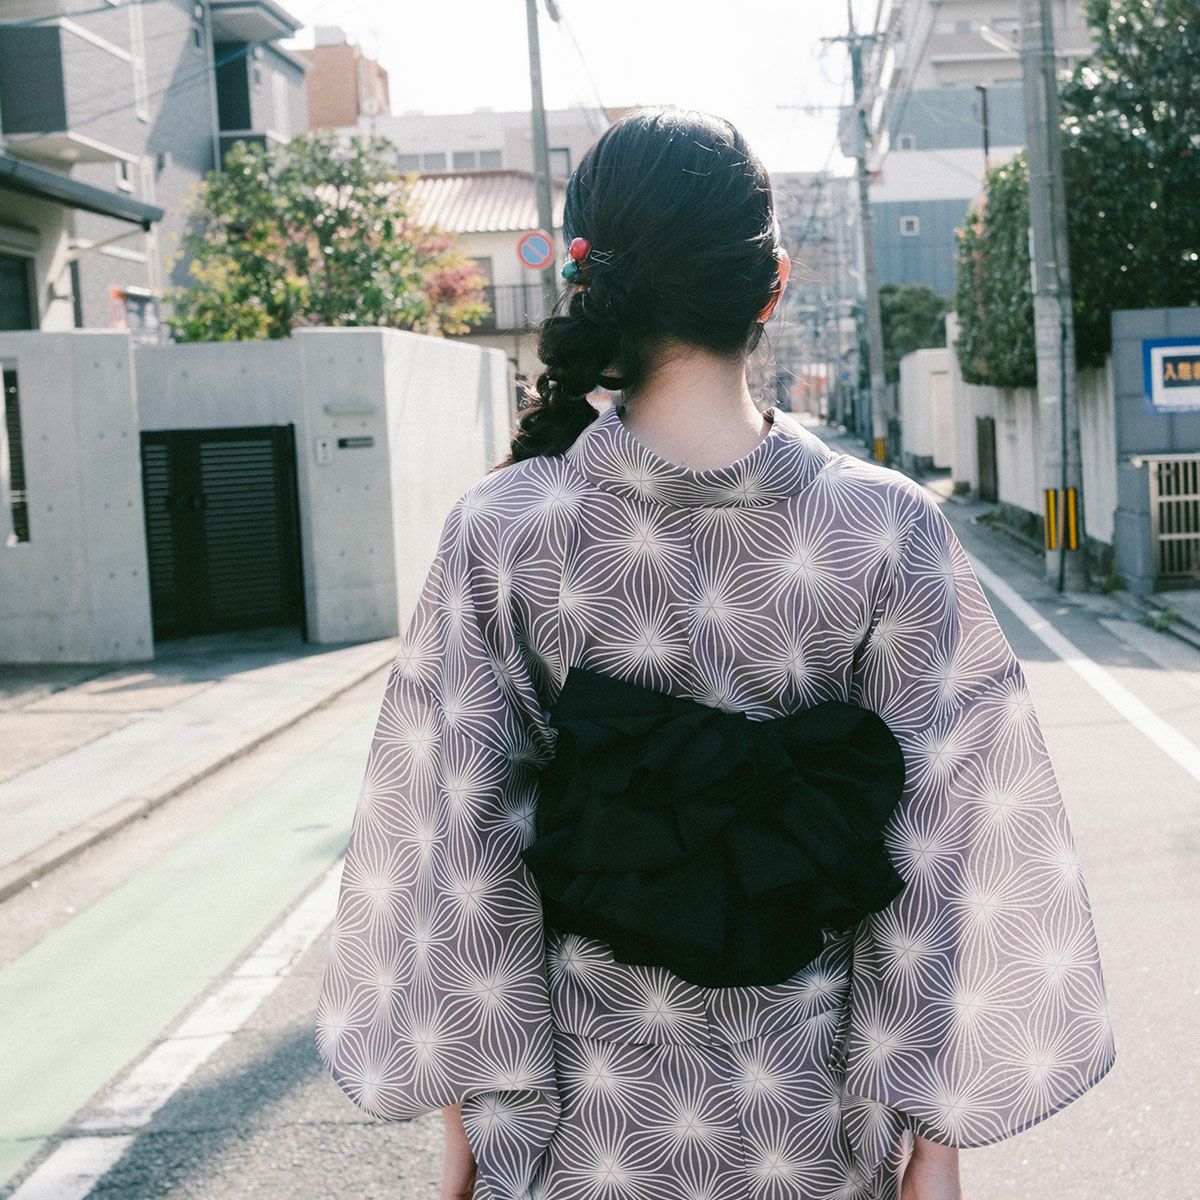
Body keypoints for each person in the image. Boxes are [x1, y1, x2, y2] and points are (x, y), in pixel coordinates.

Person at [315, 106, 1115, 1200]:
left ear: (589, 282)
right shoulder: (886, 528)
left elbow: (458, 846)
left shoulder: (505, 530)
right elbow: (942, 850)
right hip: (812, 1128)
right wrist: (934, 1141)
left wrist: (466, 1123)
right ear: (772, 287)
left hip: (583, 1134)